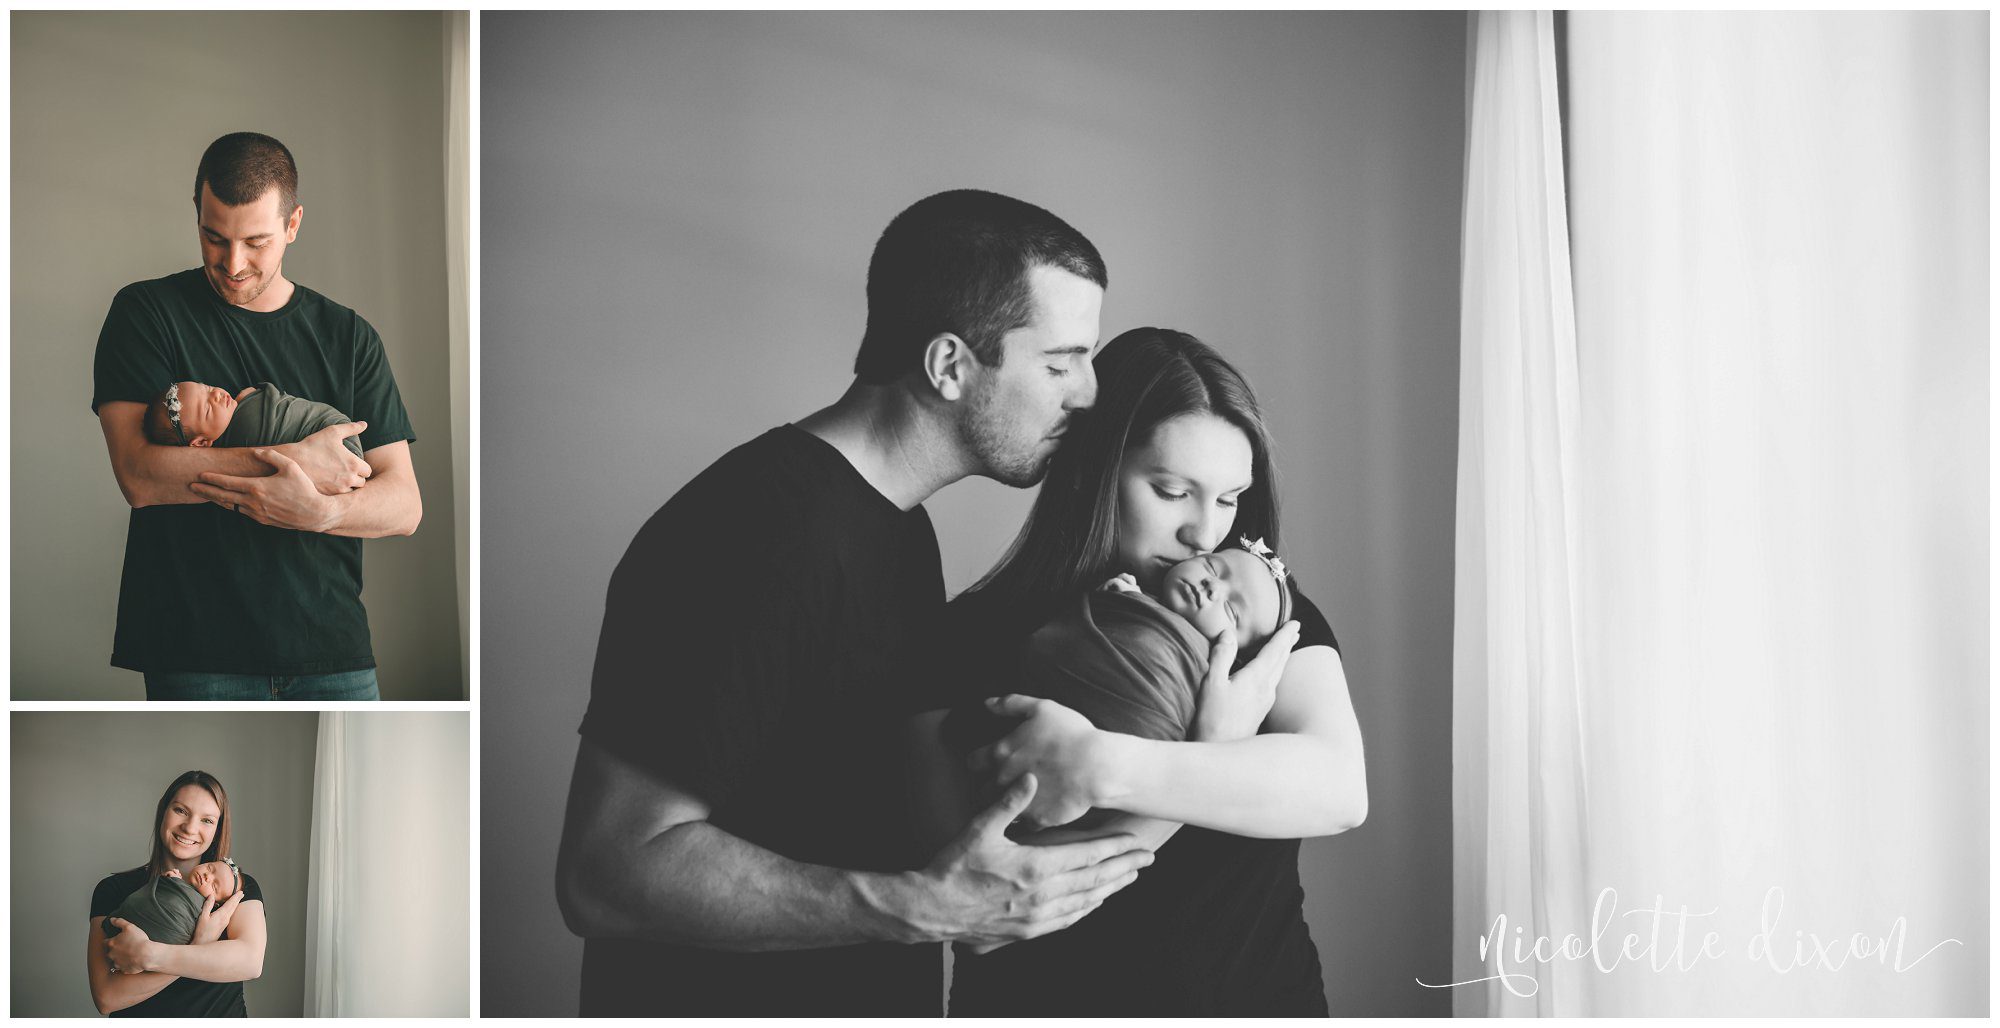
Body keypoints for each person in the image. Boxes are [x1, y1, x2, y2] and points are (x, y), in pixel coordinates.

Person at [555, 189, 1158, 1016]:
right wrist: (922, 907)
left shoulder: (901, 533)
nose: (1087, 395)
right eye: (1059, 364)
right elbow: (608, 873)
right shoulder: (755, 532)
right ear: (949, 365)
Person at [910, 327, 1369, 1015]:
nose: (1204, 534)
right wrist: (1212, 748)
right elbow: (988, 914)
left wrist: (1104, 766)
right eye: (1172, 491)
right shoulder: (979, 634)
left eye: (1228, 498)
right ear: (1095, 470)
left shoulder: (1258, 617)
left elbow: (1338, 790)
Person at [91, 131, 421, 701]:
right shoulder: (145, 313)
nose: (233, 264)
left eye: (257, 242)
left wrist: (316, 511)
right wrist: (292, 462)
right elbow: (140, 476)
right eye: (213, 238)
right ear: (197, 214)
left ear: (293, 225)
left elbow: (405, 505)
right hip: (196, 653)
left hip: (332, 654)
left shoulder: (349, 337)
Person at [942, 540, 1297, 764]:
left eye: (1232, 611)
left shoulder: (1204, 670)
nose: (1212, 587)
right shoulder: (1137, 595)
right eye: (1213, 567)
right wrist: (1124, 599)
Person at [88, 771, 267, 1017]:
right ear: (163, 811)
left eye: (207, 820)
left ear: (218, 828)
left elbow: (250, 961)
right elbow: (106, 997)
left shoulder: (234, 889)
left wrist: (149, 955)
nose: (190, 827)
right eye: (181, 810)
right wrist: (200, 944)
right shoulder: (113, 890)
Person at [144, 380, 364, 457]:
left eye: (208, 388)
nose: (217, 395)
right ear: (202, 443)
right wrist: (251, 397)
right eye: (208, 410)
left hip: (340, 433)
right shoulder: (240, 440)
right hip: (341, 440)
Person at [100, 859, 244, 946]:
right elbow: (161, 892)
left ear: (216, 904)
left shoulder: (202, 910)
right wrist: (170, 880)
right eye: (210, 868)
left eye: (214, 886)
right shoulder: (110, 887)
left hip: (164, 934)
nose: (207, 876)